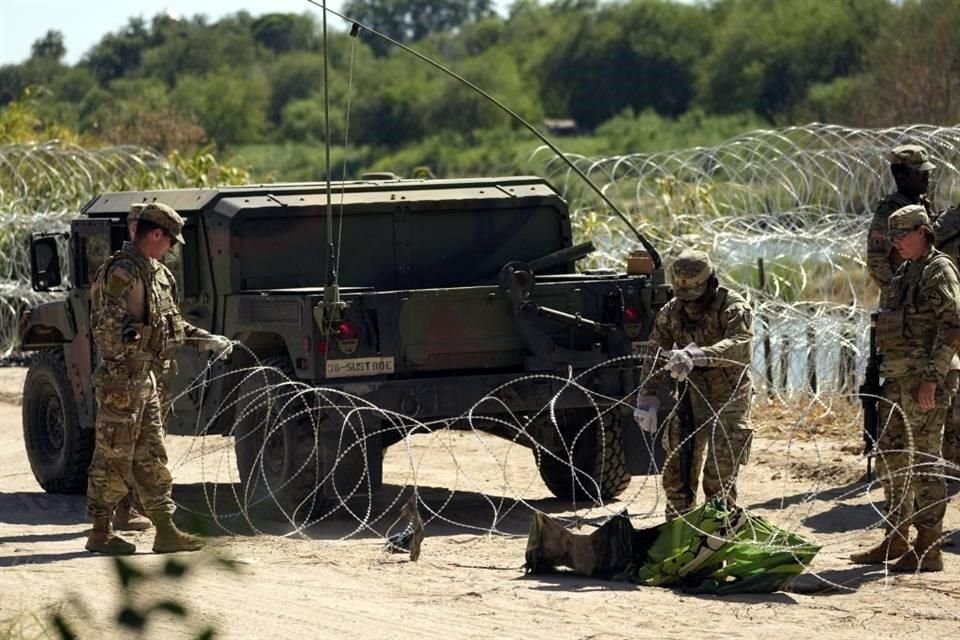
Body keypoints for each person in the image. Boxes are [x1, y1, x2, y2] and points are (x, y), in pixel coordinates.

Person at [85, 202, 234, 555]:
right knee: (113, 456)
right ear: (155, 234)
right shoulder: (122, 271)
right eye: (169, 241)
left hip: (148, 380)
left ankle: (165, 530)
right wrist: (134, 351)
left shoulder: (160, 274)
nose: (170, 249)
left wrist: (206, 339)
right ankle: (100, 531)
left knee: (151, 455)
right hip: (123, 382)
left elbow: (172, 325)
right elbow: (106, 330)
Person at [850, 205, 960, 572]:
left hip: (925, 381)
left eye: (901, 235)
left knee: (924, 463)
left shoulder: (938, 270)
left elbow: (953, 325)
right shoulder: (905, 273)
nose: (895, 242)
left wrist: (933, 377)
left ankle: (929, 548)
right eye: (892, 236)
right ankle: (896, 536)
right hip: (898, 380)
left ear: (922, 232)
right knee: (890, 458)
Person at [633, 250, 754, 519]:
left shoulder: (733, 307)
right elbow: (655, 352)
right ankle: (679, 531)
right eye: (683, 297)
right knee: (677, 474)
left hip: (729, 395)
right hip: (692, 394)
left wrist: (697, 356)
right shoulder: (671, 311)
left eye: (695, 298)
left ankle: (717, 533)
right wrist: (647, 396)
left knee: (718, 478)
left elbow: (741, 346)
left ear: (710, 283)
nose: (689, 304)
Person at [866, 144, 936, 290]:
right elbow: (876, 261)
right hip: (905, 295)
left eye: (927, 172)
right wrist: (897, 293)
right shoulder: (890, 211)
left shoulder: (924, 205)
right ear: (901, 176)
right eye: (920, 173)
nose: (926, 178)